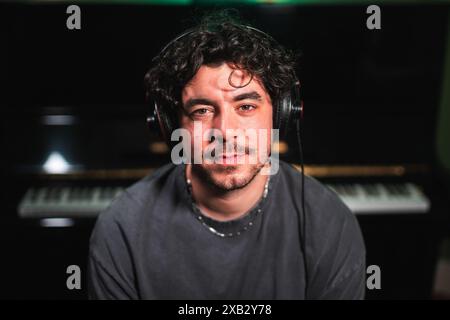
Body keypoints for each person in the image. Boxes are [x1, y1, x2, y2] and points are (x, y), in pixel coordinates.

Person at [88, 12, 366, 300]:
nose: (225, 131)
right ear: (171, 125)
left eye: (245, 106)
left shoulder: (330, 224)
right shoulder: (121, 229)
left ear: (281, 115)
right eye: (202, 111)